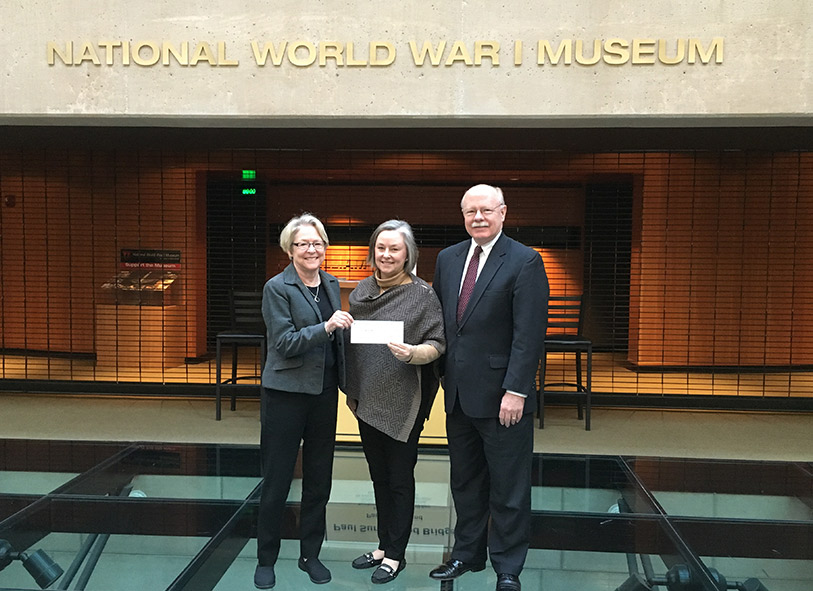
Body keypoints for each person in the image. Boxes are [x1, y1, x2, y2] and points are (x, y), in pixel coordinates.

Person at [429, 185, 549, 591]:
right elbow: (443, 323)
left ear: (502, 213)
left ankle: (508, 566)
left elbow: (528, 335)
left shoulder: (524, 261)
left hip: (503, 399)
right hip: (459, 395)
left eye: (485, 210)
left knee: (508, 488)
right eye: (469, 211)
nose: (477, 218)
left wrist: (516, 390)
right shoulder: (447, 259)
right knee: (465, 482)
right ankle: (466, 554)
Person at [254, 213, 354, 590]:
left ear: (325, 248)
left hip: (324, 394)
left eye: (317, 243)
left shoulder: (329, 282)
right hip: (285, 396)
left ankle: (310, 554)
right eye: (303, 244)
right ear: (290, 249)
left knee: (318, 480)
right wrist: (327, 327)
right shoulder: (277, 287)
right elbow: (284, 343)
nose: (311, 250)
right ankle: (267, 558)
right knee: (277, 480)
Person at [343, 220, 446, 585]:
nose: (386, 255)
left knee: (399, 478)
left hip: (405, 401)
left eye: (395, 249)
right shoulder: (361, 292)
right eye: (381, 248)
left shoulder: (423, 295)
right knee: (377, 477)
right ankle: (383, 546)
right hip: (367, 398)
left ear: (408, 254)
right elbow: (355, 347)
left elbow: (437, 342)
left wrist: (414, 353)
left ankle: (397, 556)